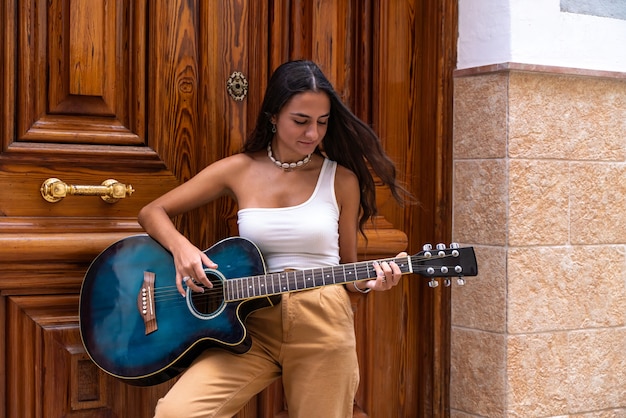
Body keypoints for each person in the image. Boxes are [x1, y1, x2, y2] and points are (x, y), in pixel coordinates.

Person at [138, 60, 408, 418]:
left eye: (322, 123)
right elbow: (151, 212)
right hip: (249, 324)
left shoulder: (341, 179)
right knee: (176, 413)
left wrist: (373, 283)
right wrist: (181, 248)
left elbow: (349, 269)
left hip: (322, 322)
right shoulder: (239, 169)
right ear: (273, 116)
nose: (313, 134)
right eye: (301, 121)